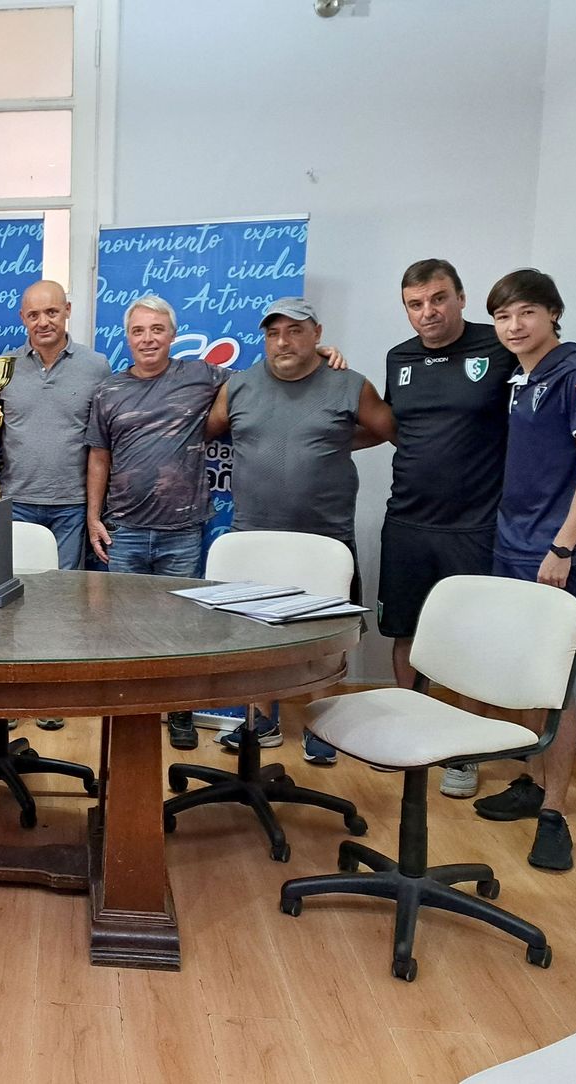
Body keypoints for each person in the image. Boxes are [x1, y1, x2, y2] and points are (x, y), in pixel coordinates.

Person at [206, 296, 396, 764]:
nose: (283, 341)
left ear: (317, 335)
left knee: (324, 635)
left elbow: (388, 428)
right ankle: (260, 721)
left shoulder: (348, 385)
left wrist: (335, 441)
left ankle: (322, 726)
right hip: (253, 535)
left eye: (295, 330)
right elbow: (210, 429)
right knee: (254, 634)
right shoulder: (239, 386)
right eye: (273, 333)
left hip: (324, 538)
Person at [474, 269, 576, 872]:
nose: (514, 326)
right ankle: (532, 785)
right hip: (511, 545)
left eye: (526, 313)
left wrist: (561, 550)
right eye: (504, 316)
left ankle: (555, 814)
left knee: (555, 685)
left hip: (555, 556)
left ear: (553, 313)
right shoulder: (521, 376)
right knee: (525, 675)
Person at [380, 259, 517, 798]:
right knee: (406, 633)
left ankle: (463, 751)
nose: (428, 312)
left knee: (472, 640)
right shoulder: (399, 358)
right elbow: (398, 425)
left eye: (438, 299)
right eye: (416, 304)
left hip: (476, 525)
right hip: (407, 520)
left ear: (460, 297)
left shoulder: (499, 347)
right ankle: (412, 735)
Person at [86, 295, 224, 748]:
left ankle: (180, 713)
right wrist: (93, 515)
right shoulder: (109, 390)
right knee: (124, 628)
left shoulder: (202, 376)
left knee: (180, 629)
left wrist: (321, 355)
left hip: (182, 532)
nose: (148, 339)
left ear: (172, 334)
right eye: (138, 331)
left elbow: (267, 380)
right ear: (127, 337)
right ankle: (130, 710)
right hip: (123, 529)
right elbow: (99, 457)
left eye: (157, 329)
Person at [1, 280, 110, 572]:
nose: (43, 322)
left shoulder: (96, 366)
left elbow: (103, 445)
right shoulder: (3, 366)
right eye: (34, 315)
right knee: (17, 590)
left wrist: (93, 511)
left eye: (51, 312)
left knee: (63, 596)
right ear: (22, 317)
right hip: (15, 502)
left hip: (71, 505)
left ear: (67, 310)